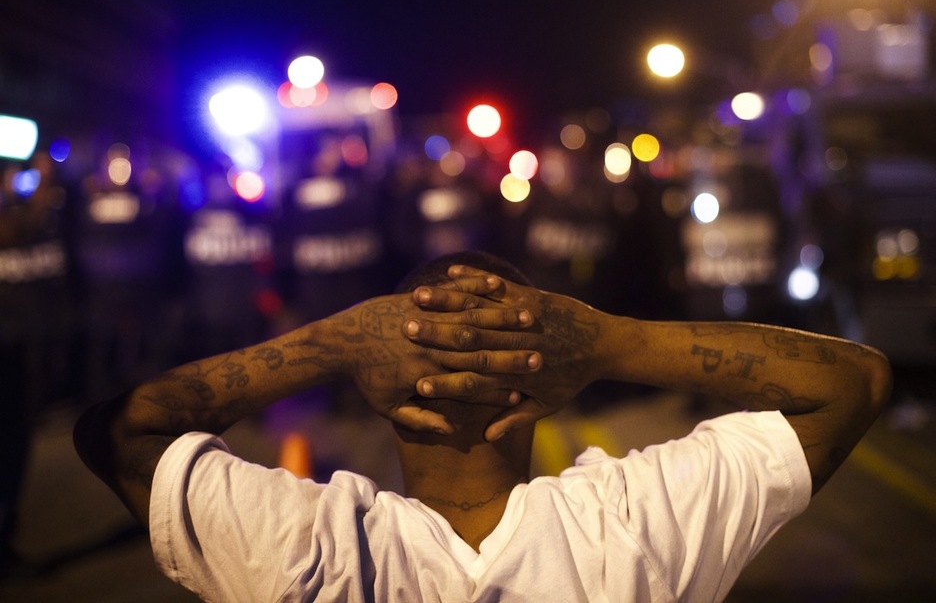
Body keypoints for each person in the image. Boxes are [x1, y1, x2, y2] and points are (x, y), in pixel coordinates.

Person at [73, 251, 892, 602]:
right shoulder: (637, 528)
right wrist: (608, 338)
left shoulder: (307, 546)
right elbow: (854, 381)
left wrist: (335, 340)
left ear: (384, 391)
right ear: (545, 385)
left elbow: (117, 430)